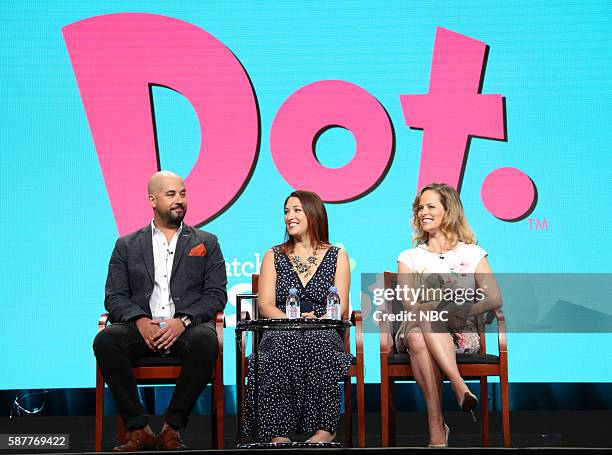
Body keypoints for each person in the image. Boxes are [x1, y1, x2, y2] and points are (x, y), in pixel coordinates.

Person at [93, 171, 227, 451]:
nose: (179, 200)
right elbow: (114, 296)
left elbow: (216, 295)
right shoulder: (126, 245)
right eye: (171, 195)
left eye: (182, 193)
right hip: (140, 329)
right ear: (152, 200)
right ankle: (138, 428)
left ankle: (171, 428)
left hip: (185, 331)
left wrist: (184, 320)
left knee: (206, 340)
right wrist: (140, 320)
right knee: (106, 340)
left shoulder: (207, 242)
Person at [395, 183, 502, 448]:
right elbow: (409, 303)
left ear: (448, 210)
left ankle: (437, 426)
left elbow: (493, 298)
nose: (423, 212)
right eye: (420, 207)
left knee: (423, 335)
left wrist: (458, 311)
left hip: (460, 330)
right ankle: (457, 386)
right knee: (421, 330)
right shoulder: (409, 256)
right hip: (416, 325)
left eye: (431, 206)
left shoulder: (473, 253)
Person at [244, 190, 352, 443]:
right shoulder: (274, 255)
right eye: (286, 211)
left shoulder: (337, 256)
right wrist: (291, 320)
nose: (289, 217)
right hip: (282, 326)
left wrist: (321, 319)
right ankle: (275, 432)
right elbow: (266, 304)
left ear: (313, 214)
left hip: (323, 327)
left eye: (296, 210)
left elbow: (342, 305)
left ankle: (325, 429)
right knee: (278, 347)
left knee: (319, 343)